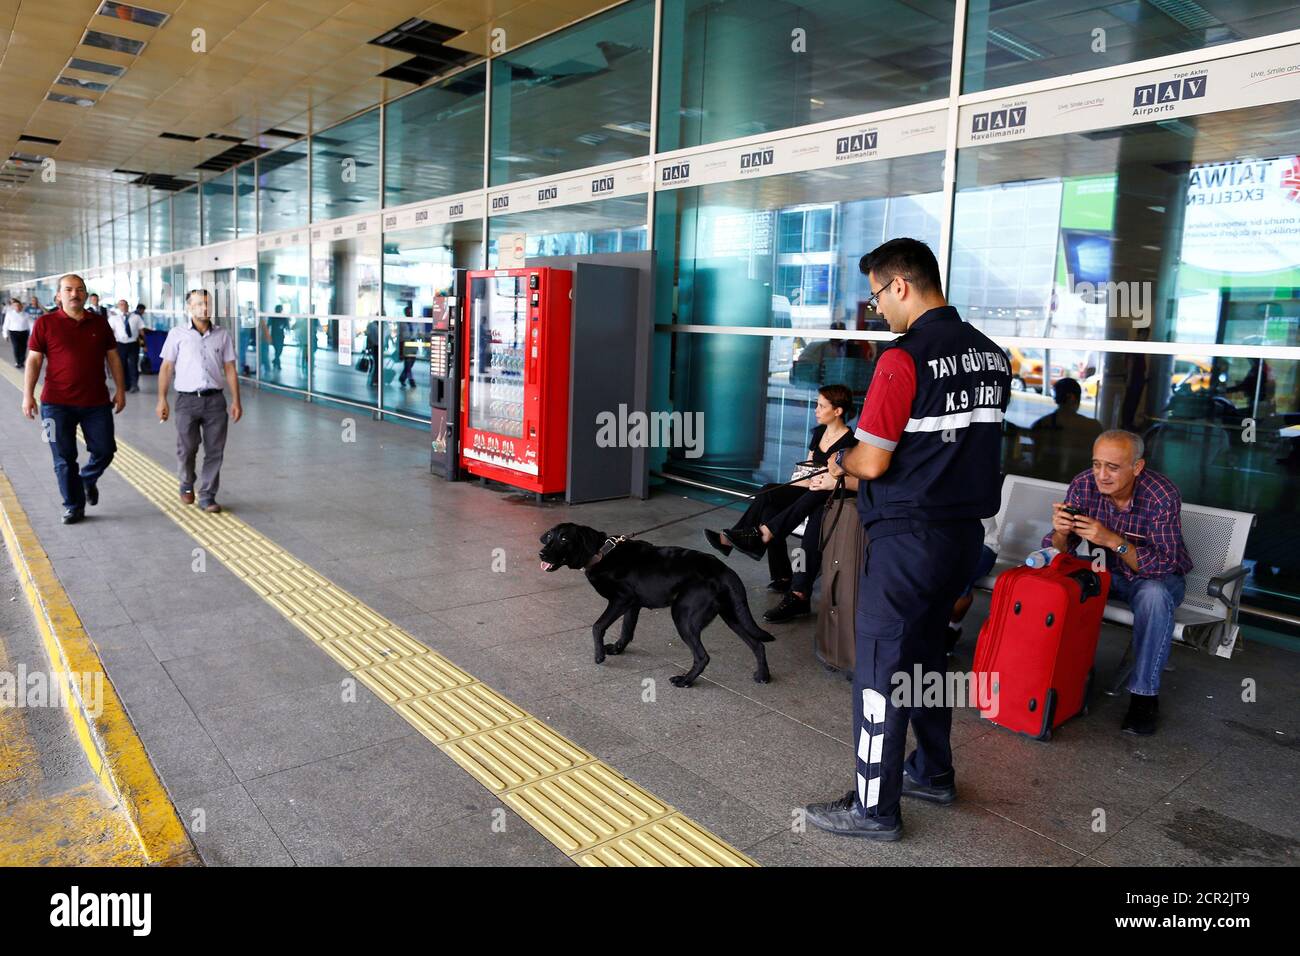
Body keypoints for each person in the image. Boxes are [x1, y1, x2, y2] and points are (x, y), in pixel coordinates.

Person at [803, 238, 1010, 841]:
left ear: (901, 285)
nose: (876, 310)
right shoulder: (992, 356)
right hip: (962, 540)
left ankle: (873, 809)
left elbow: (871, 461)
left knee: (878, 670)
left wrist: (839, 466)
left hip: (906, 541)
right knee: (924, 658)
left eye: (876, 295)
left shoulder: (902, 359)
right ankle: (934, 771)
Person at [1045, 429, 1192, 736]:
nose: (1101, 475)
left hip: (1157, 578)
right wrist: (1059, 532)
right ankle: (1052, 679)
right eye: (1097, 464)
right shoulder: (1084, 483)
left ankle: (1144, 697)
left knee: (1153, 597)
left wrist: (1113, 541)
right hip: (1104, 573)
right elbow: (1059, 550)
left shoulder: (1161, 495)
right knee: (1056, 582)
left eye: (1112, 467)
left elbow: (1164, 565)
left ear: (1137, 467)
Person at [704, 385, 859, 622]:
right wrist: (789, 488)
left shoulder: (850, 442)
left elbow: (843, 478)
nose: (816, 410)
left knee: (815, 512)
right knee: (769, 496)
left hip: (830, 496)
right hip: (811, 488)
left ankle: (798, 593)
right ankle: (768, 558)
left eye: (821, 406)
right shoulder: (819, 433)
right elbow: (807, 470)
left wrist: (824, 480)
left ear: (837, 411)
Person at [20, 274, 125, 524]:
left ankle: (87, 478)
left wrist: (120, 389)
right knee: (63, 458)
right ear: (59, 295)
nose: (74, 294)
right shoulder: (45, 324)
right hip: (55, 405)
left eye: (79, 289)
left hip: (96, 402)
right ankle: (74, 505)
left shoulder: (99, 324)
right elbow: (34, 360)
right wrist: (28, 395)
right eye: (68, 289)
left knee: (105, 450)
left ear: (86, 295)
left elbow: (113, 358)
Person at [156, 289, 243, 513]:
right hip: (186, 401)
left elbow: (230, 368)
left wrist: (236, 401)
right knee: (187, 448)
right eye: (198, 304)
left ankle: (207, 495)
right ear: (189, 307)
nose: (204, 308)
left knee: (215, 451)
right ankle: (186, 482)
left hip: (215, 401)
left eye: (207, 304)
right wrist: (161, 400)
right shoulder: (177, 334)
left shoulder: (222, 334)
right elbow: (166, 367)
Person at [1029, 377, 1102, 483]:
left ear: (1056, 399)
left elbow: (1035, 461)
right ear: (1073, 398)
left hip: (1045, 483)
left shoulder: (1040, 424)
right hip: (1080, 486)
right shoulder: (1093, 427)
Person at [110, 298, 143, 393]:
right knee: (121, 364)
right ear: (118, 307)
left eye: (125, 304)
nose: (123, 306)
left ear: (128, 306)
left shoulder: (136, 317)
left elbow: (141, 332)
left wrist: (143, 345)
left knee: (133, 364)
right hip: (120, 344)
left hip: (133, 343)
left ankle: (134, 384)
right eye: (121, 305)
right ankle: (125, 384)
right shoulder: (114, 318)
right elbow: (111, 332)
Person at [3, 298, 32, 367]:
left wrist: (31, 334)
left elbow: (31, 324)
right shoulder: (9, 314)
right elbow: (5, 324)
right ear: (13, 306)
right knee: (16, 347)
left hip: (24, 333)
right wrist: (5, 334)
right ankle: (17, 361)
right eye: (15, 306)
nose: (17, 307)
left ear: (21, 306)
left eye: (18, 306)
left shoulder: (26, 314)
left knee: (23, 348)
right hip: (13, 333)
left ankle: (22, 361)